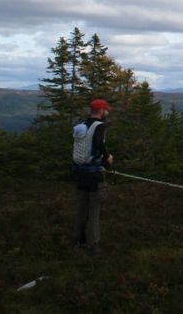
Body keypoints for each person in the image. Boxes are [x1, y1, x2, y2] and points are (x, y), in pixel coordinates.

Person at [72, 98, 113, 255]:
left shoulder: (82, 126)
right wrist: (107, 157)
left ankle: (78, 239)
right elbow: (97, 144)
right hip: (94, 175)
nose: (107, 112)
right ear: (101, 111)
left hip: (80, 172)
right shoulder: (99, 126)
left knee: (82, 207)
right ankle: (93, 245)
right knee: (94, 210)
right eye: (106, 110)